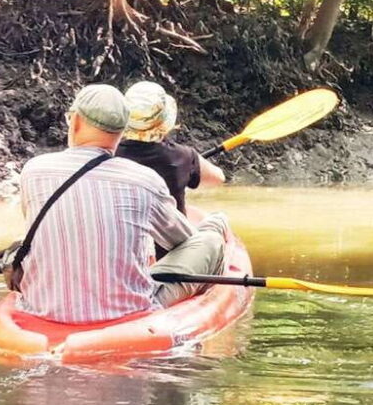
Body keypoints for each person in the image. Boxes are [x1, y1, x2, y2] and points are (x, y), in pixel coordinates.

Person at [16, 84, 229, 324]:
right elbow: (183, 242)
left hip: (40, 309)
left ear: (74, 121)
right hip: (127, 313)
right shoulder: (146, 180)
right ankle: (199, 302)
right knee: (209, 240)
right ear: (120, 130)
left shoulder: (32, 171)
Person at [116, 81, 225, 213]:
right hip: (169, 225)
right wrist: (188, 171)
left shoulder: (110, 154)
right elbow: (218, 178)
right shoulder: (182, 156)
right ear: (164, 122)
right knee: (207, 216)